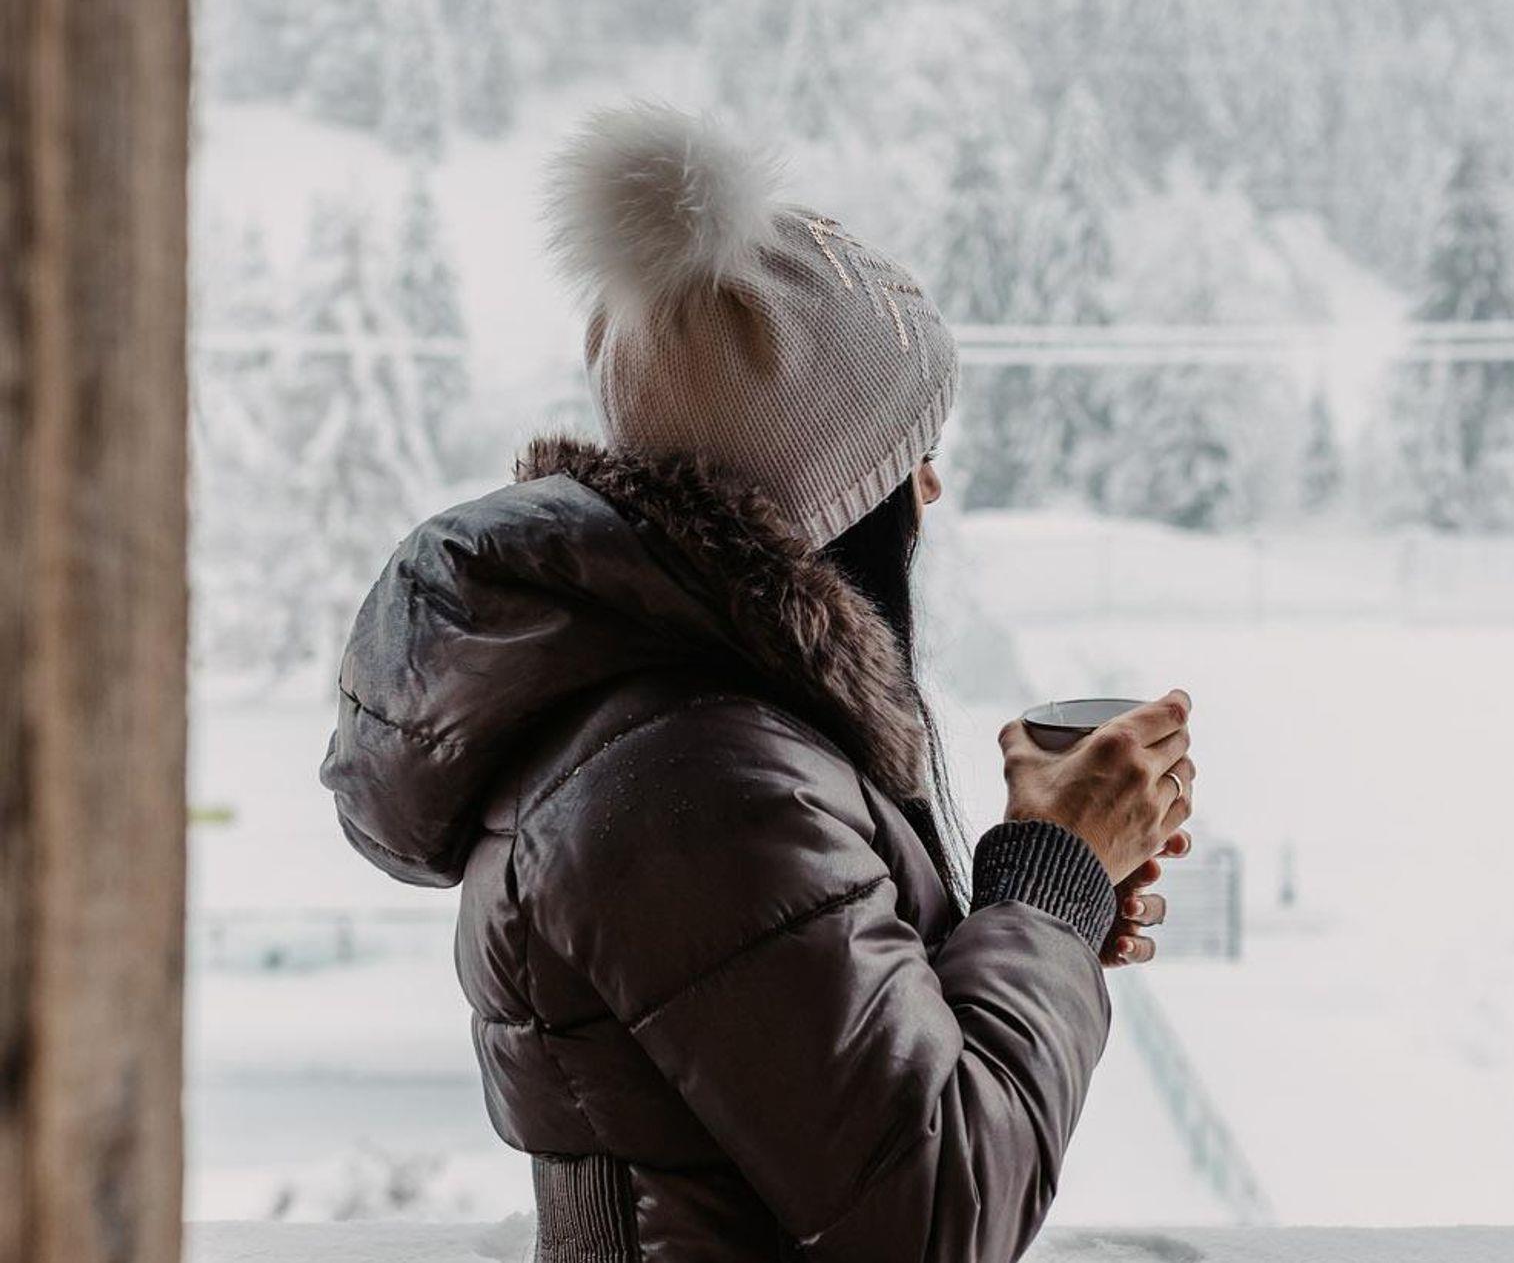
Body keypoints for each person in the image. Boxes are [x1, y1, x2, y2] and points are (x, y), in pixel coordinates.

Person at [319, 103, 1198, 1262]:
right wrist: (1054, 870)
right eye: (910, 456)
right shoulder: (698, 780)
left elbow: (814, 1093)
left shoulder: (689, 735)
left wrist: (1044, 907)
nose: (930, 491)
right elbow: (936, 1208)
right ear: (834, 496)